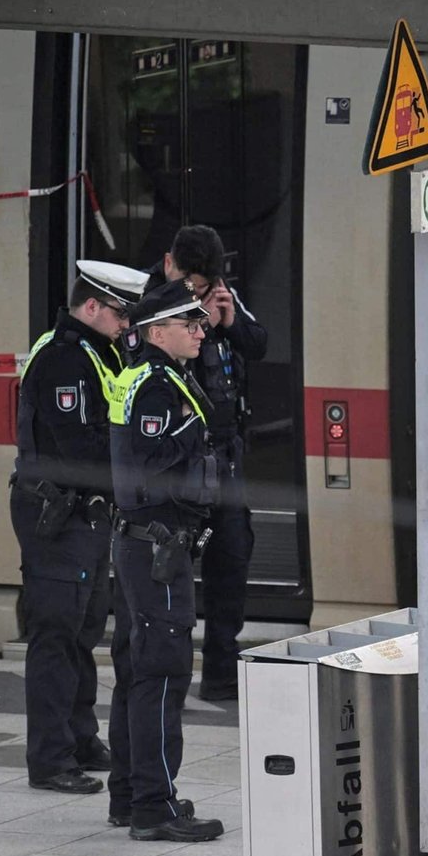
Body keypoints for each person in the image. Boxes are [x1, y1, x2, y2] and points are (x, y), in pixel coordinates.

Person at [12, 261, 146, 794]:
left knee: (85, 629)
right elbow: (80, 449)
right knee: (56, 634)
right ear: (92, 306)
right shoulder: (65, 359)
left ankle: (80, 737)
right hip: (57, 514)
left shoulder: (97, 351)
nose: (125, 323)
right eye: (119, 312)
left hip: (84, 514)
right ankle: (49, 758)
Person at [108, 277, 225, 841]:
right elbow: (152, 459)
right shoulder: (157, 387)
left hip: (144, 540)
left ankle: (131, 795)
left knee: (138, 669)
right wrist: (195, 431)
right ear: (159, 331)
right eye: (191, 324)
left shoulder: (153, 377)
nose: (201, 331)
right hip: (157, 544)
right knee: (163, 672)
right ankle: (155, 807)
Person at [159, 225, 267, 702]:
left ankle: (220, 671)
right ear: (169, 267)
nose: (198, 298)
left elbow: (258, 344)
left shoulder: (224, 299)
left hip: (224, 460)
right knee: (170, 570)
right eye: (192, 288)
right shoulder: (150, 307)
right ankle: (168, 673)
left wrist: (229, 323)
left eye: (205, 288)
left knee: (231, 560)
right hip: (177, 462)